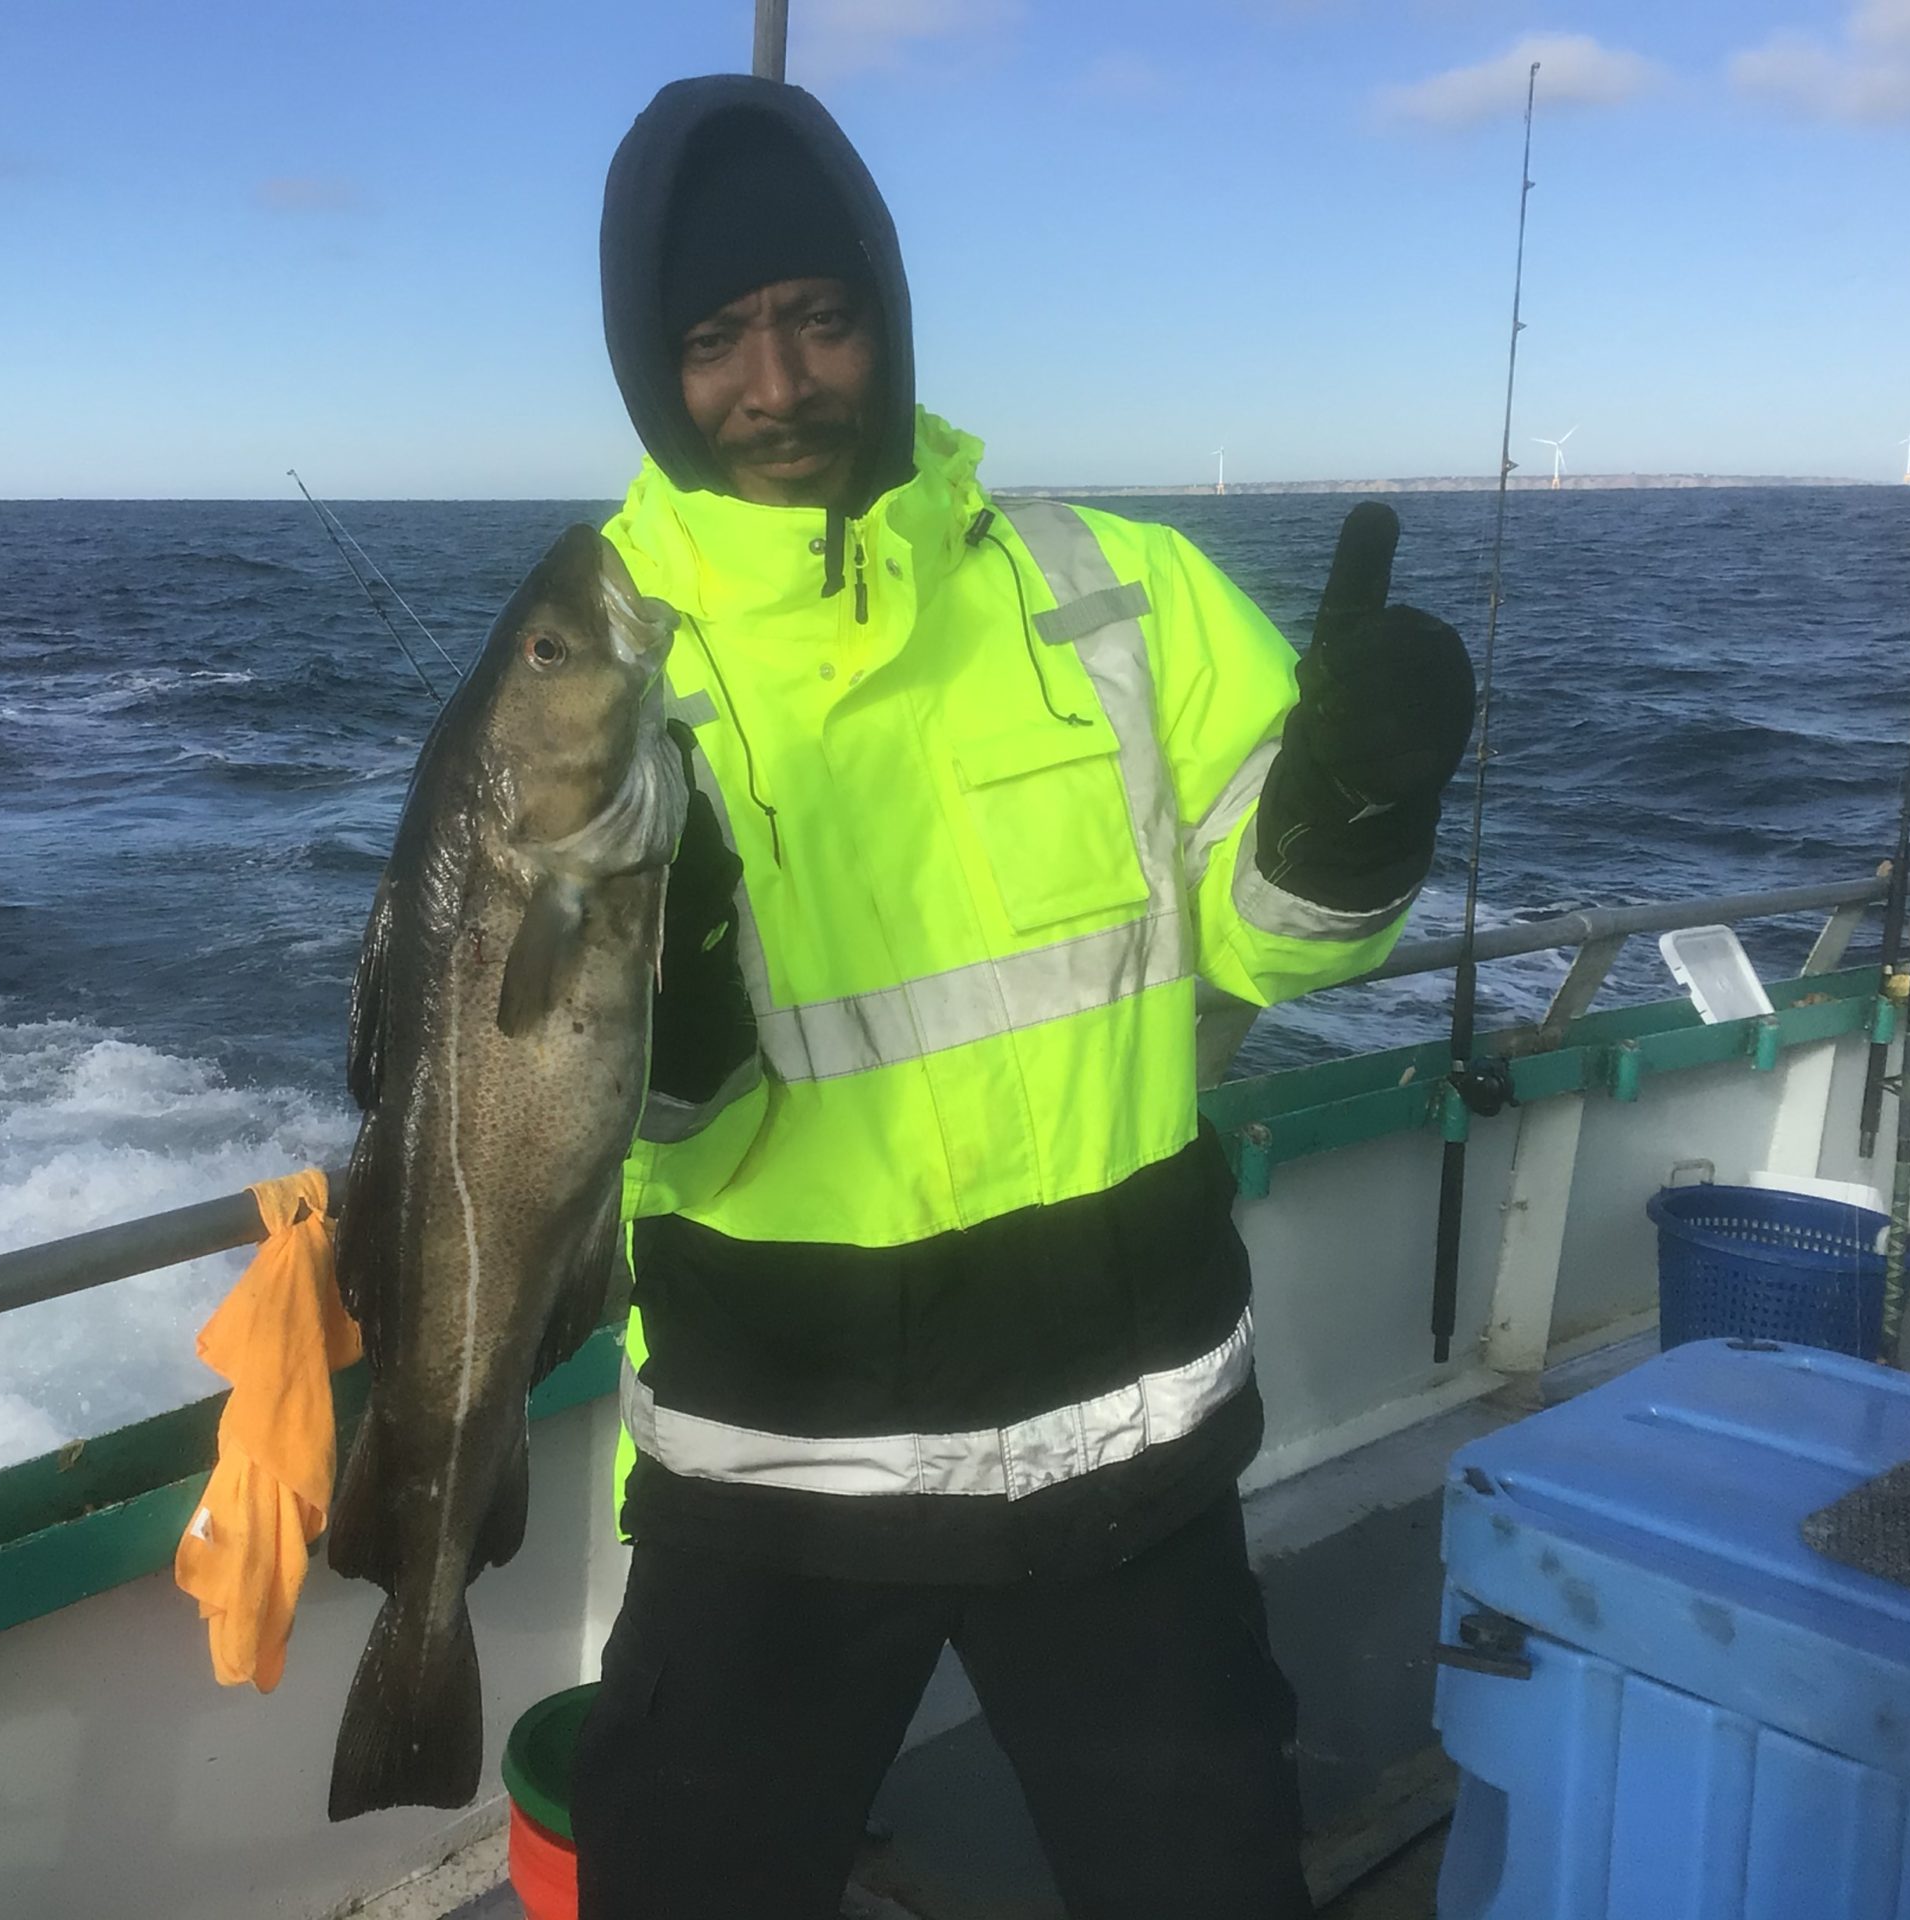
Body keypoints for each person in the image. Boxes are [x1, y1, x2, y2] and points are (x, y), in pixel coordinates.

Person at [570, 73, 1475, 1920]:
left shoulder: (1117, 589)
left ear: (886, 321)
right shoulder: (598, 662)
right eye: (719, 338)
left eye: (820, 319)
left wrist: (1359, 811)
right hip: (770, 1480)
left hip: (1121, 1454)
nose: (778, 383)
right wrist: (663, 1033)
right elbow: (647, 1118)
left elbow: (1273, 940)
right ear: (653, 367)